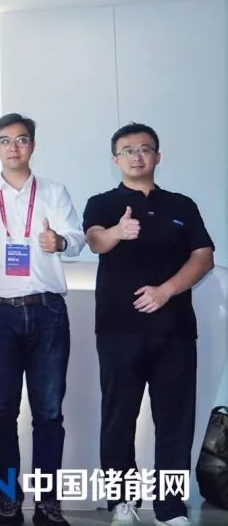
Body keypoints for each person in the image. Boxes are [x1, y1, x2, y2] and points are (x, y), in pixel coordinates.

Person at [83, 123, 214, 526]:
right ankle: (122, 502)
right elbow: (95, 240)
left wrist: (166, 291)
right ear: (115, 159)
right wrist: (118, 232)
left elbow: (204, 256)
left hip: (174, 330)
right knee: (118, 418)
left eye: (145, 149)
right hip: (118, 330)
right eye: (128, 150)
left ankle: (170, 508)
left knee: (175, 421)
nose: (137, 156)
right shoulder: (102, 203)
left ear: (158, 156)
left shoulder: (182, 205)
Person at [0, 114, 85, 526]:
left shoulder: (54, 192)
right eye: (5, 141)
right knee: (2, 411)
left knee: (49, 412)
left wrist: (60, 241)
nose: (14, 148)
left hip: (47, 311)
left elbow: (76, 239)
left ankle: (47, 503)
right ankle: (8, 500)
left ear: (32, 146)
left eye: (22, 140)